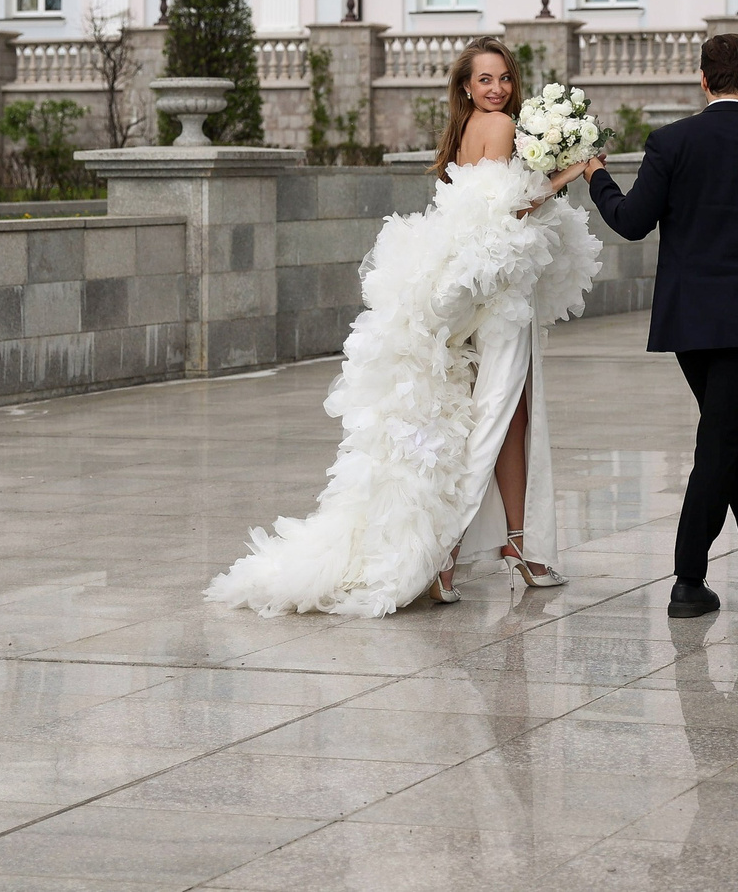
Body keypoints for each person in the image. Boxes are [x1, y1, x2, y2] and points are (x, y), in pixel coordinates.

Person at [206, 40, 599, 617]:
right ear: (466, 87)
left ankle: (519, 543)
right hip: (495, 295)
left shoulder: (464, 130)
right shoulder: (498, 125)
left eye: (504, 80)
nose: (496, 89)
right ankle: (445, 554)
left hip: (470, 283)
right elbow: (510, 212)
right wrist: (574, 169)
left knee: (510, 415)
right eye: (485, 80)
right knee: (495, 418)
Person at [585, 31, 738, 619]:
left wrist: (596, 177)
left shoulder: (672, 142)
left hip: (690, 323)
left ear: (704, 80)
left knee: (728, 437)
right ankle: (689, 580)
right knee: (722, 440)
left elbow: (631, 222)